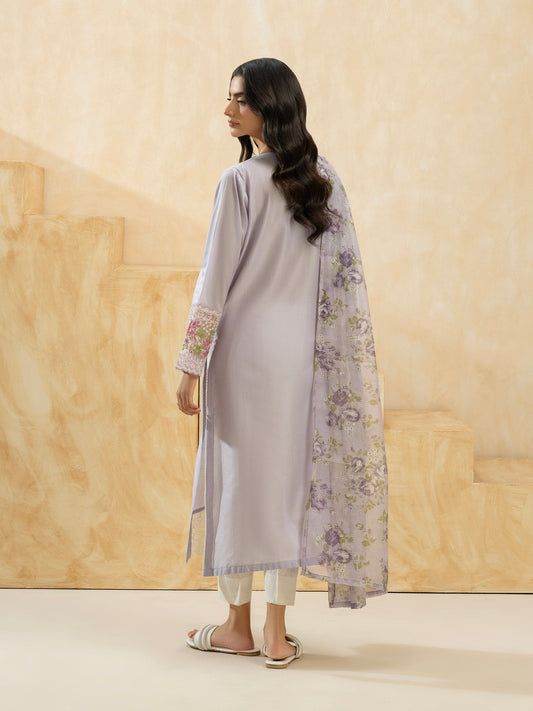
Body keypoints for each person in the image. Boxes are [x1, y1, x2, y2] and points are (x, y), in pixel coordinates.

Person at [176, 58, 388, 669]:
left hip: (243, 360)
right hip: (304, 364)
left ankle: (235, 627)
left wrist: (190, 362)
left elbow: (213, 282)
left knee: (241, 489)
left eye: (240, 100)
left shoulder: (238, 182)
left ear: (271, 106)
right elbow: (344, 283)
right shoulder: (324, 181)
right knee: (289, 491)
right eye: (230, 98)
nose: (228, 110)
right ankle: (275, 634)